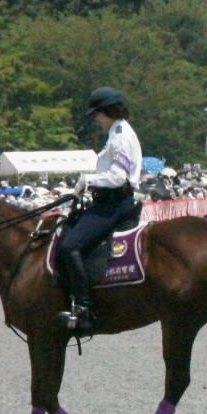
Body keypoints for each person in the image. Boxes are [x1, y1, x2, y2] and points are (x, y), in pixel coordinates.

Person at [56, 87, 143, 333]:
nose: (95, 119)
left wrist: (88, 180)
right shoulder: (117, 132)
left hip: (115, 202)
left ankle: (84, 308)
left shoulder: (120, 137)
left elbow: (117, 177)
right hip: (109, 200)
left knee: (70, 246)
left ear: (107, 111)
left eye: (96, 114)